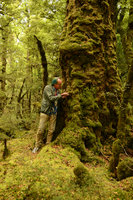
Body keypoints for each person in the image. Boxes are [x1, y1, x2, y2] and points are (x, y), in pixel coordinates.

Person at [32, 77, 69, 153]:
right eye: (59, 84)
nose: (60, 86)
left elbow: (58, 99)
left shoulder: (58, 91)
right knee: (41, 130)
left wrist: (62, 97)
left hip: (53, 113)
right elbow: (51, 98)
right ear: (55, 84)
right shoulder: (47, 88)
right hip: (45, 112)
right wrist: (61, 95)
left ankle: (47, 145)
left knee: (51, 130)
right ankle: (37, 146)